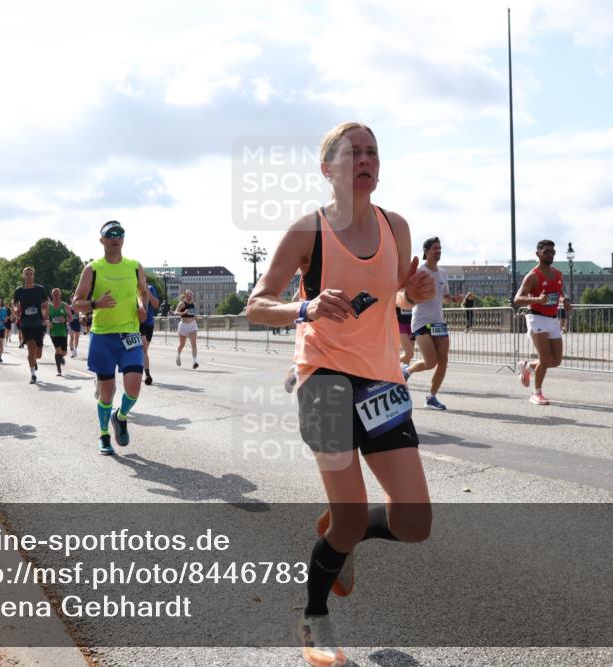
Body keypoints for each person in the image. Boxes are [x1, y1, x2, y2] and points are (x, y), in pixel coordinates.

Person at [246, 122, 435, 667]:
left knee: (414, 523)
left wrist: (411, 290)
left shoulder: (394, 225)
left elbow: (397, 288)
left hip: (382, 380)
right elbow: (258, 305)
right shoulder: (308, 232)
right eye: (354, 152)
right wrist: (303, 307)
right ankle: (313, 616)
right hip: (323, 379)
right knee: (352, 518)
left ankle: (339, 530)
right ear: (327, 169)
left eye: (374, 151)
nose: (366, 160)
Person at [72, 220, 151, 455]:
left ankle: (121, 416)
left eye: (119, 233)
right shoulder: (93, 269)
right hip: (103, 337)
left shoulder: (135, 266)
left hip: (129, 334)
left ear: (123, 239)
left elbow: (143, 292)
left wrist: (141, 305)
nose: (115, 237)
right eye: (110, 234)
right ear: (102, 240)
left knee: (134, 388)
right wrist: (96, 303)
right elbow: (76, 304)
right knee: (107, 393)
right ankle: (104, 434)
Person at [404, 236, 460, 410]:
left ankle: (431, 397)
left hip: (438, 322)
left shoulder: (442, 273)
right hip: (421, 321)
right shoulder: (419, 271)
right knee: (431, 362)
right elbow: (408, 294)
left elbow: (444, 298)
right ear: (426, 251)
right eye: (435, 248)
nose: (438, 251)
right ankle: (407, 371)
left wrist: (455, 299)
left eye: (440, 248)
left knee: (443, 361)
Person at [514, 239, 572, 405]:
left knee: (556, 361)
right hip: (536, 316)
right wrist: (537, 300)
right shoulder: (533, 276)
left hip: (553, 318)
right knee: (545, 359)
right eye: (546, 252)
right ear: (538, 253)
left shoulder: (557, 274)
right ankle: (536, 393)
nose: (550, 255)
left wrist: (565, 300)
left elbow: (559, 292)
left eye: (552, 252)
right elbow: (517, 299)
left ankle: (527, 366)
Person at [13, 267, 51, 384]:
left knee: (38, 354)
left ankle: (34, 361)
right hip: (26, 323)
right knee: (31, 349)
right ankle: (33, 374)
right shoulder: (19, 291)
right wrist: (16, 310)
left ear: (33, 275)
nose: (29, 276)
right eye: (27, 274)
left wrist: (45, 313)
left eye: (31, 274)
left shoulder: (40, 289)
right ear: (23, 276)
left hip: (38, 323)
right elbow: (14, 304)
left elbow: (47, 303)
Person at [139, 282, 161, 385]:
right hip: (138, 322)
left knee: (144, 351)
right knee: (143, 348)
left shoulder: (151, 288)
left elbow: (156, 304)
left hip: (149, 323)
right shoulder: (133, 287)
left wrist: (148, 292)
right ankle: (147, 374)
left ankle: (141, 368)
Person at [48, 288, 72, 376]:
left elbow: (70, 317)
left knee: (64, 352)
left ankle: (61, 357)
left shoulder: (65, 306)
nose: (56, 296)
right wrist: (48, 323)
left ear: (60, 295)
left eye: (58, 294)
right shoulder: (49, 306)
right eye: (54, 294)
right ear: (52, 296)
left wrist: (65, 319)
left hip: (63, 332)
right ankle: (59, 369)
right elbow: (44, 318)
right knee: (58, 350)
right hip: (53, 332)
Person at [174, 289, 199, 369]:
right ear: (185, 295)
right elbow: (175, 313)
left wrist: (196, 316)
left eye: (191, 294)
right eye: (188, 294)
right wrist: (183, 313)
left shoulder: (193, 304)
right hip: (183, 326)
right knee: (182, 344)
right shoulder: (182, 303)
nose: (190, 295)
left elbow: (193, 314)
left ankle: (194, 362)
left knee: (194, 344)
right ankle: (178, 356)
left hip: (192, 325)